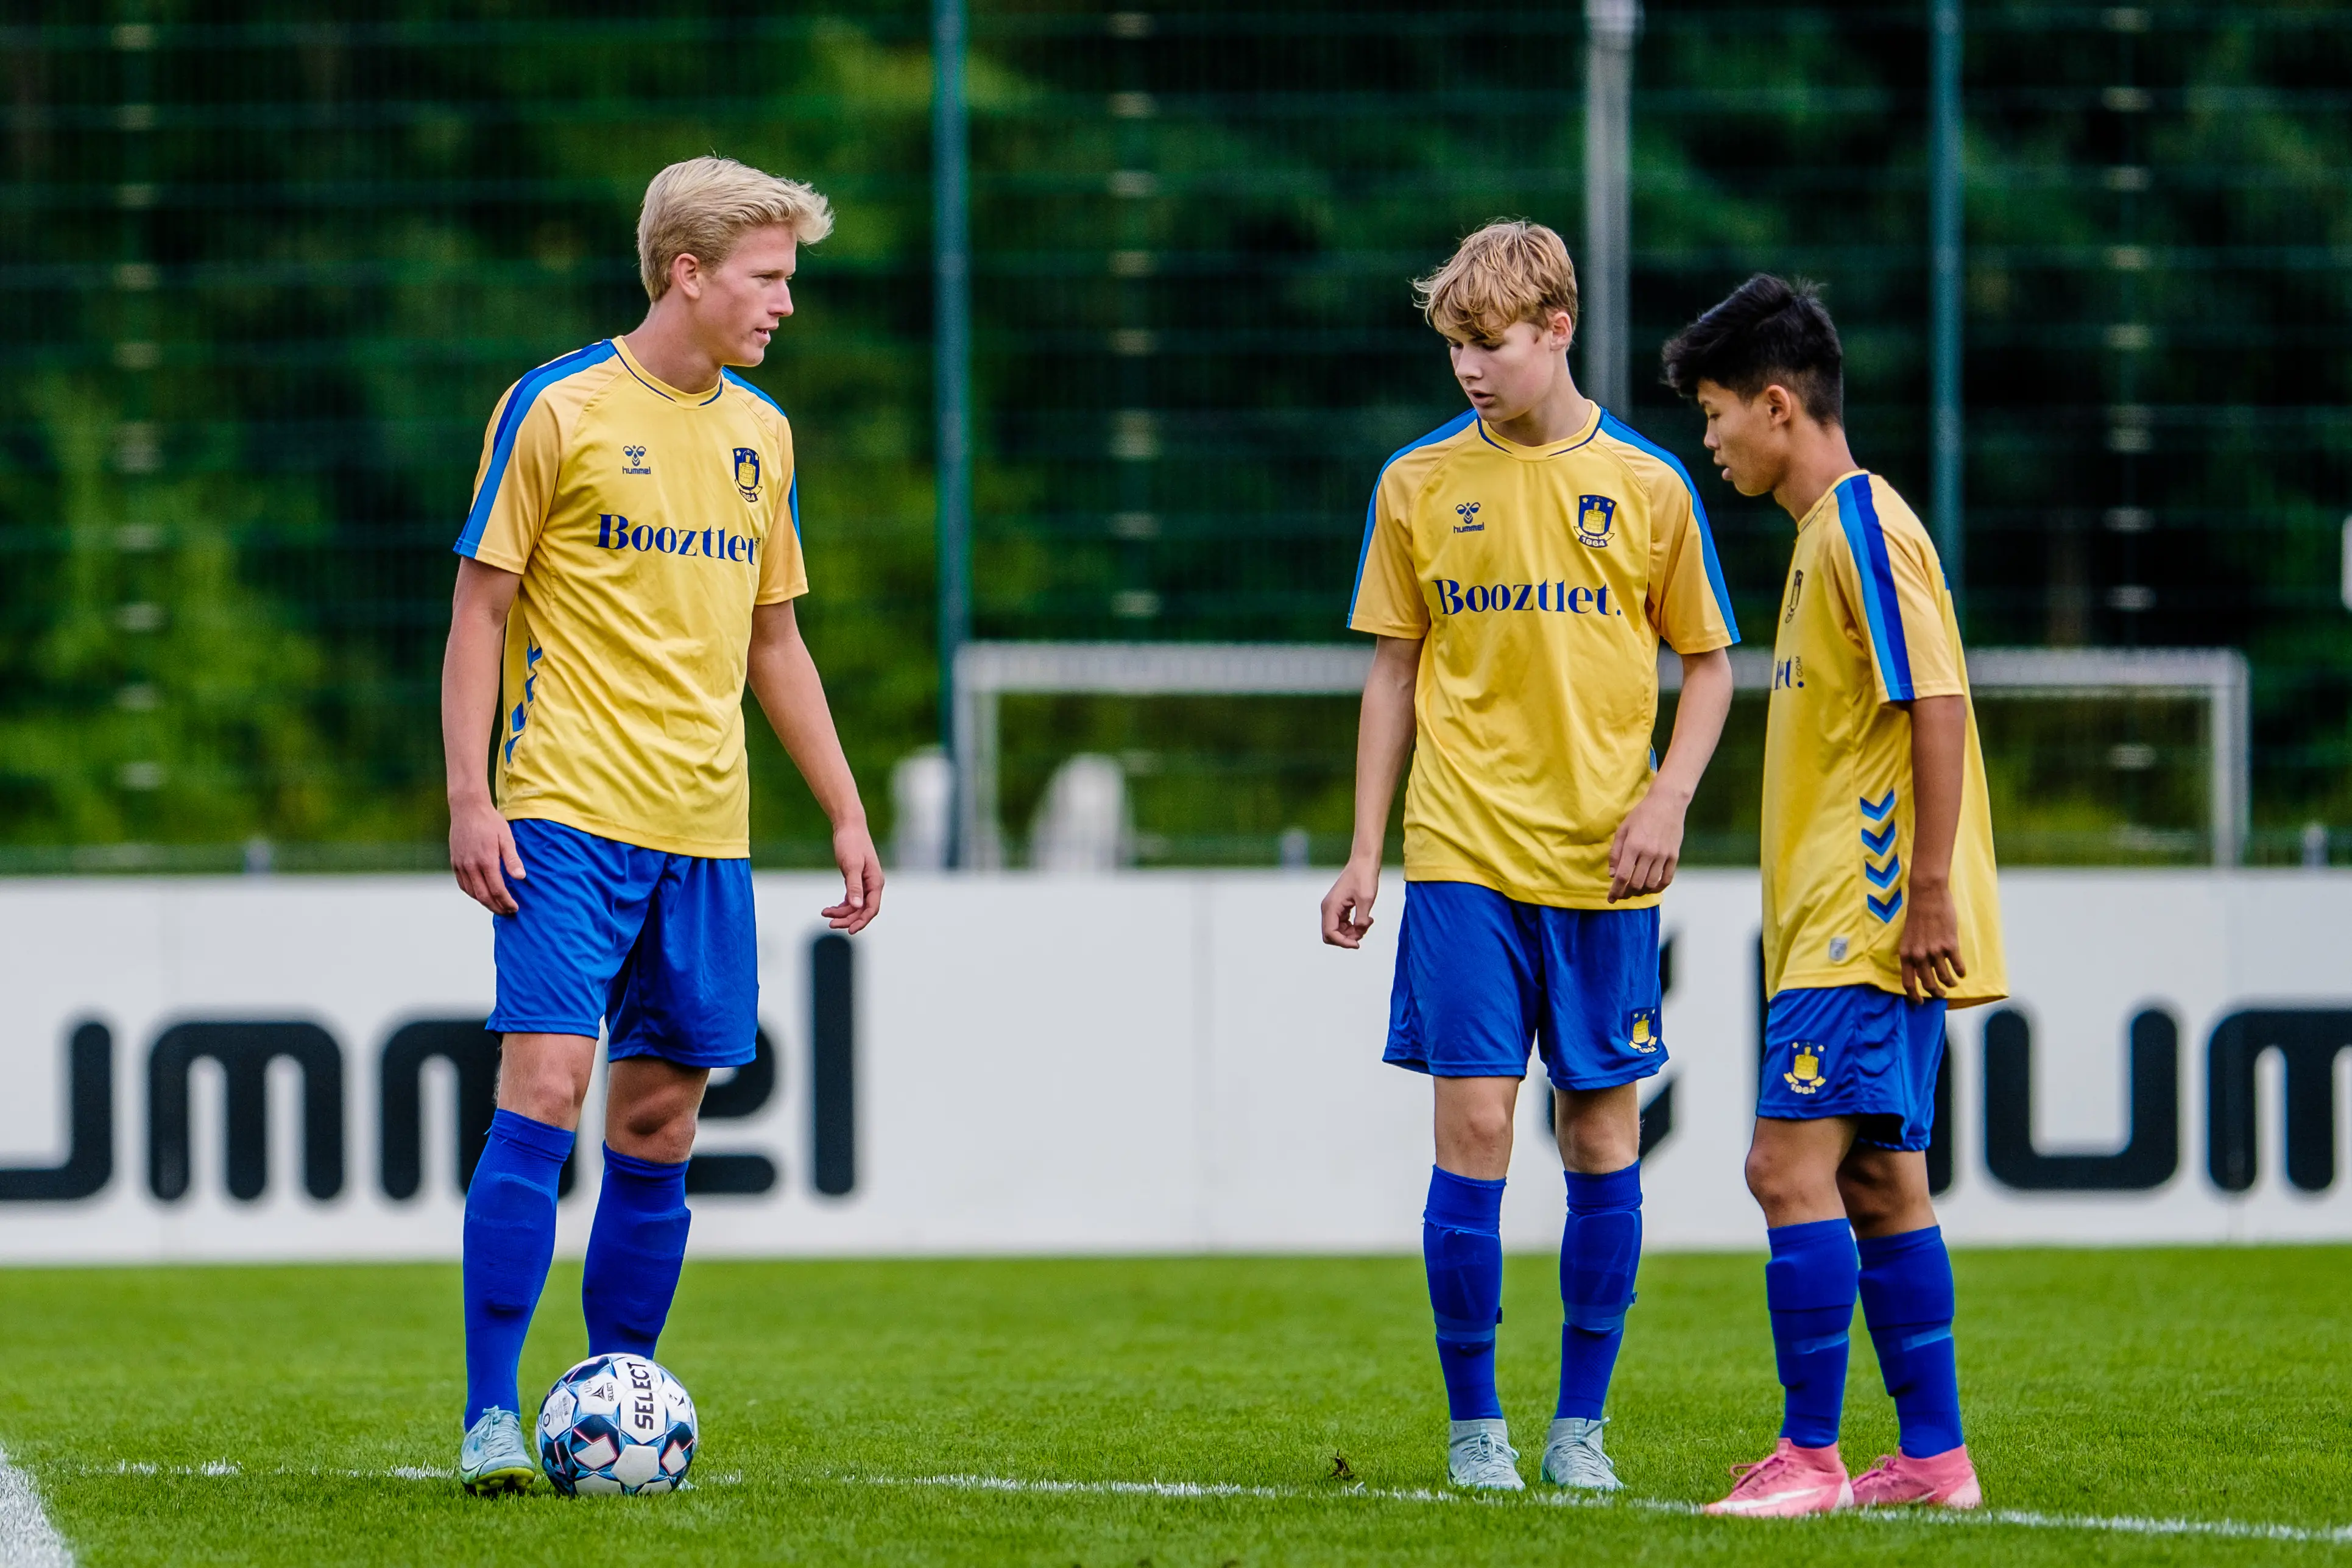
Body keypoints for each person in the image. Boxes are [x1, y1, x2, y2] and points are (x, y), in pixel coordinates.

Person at [440, 155, 883, 1494]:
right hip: (563, 812)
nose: (784, 305)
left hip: (707, 831)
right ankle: (486, 1419)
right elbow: (480, 611)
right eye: (767, 278)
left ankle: (616, 1397)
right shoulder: (556, 408)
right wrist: (470, 793)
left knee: (656, 1128)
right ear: (686, 274)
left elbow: (777, 642)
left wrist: (848, 812)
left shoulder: (763, 436)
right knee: (546, 1090)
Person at [1321, 220, 1739, 1492]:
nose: (1466, 367)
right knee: (1477, 1128)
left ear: (1555, 329)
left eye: (1487, 343)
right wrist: (1361, 853)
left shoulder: (1651, 487)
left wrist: (1667, 800)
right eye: (1453, 345)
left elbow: (1711, 665)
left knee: (1602, 1144)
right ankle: (1474, 1431)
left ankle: (1579, 1429)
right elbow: (1391, 673)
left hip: (1602, 867)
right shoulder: (1416, 484)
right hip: (1458, 856)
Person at [1661, 274, 2005, 1516]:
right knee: (1875, 1183)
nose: (1708, 441)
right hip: (1843, 920)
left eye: (1713, 414)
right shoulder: (1821, 542)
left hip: (1863, 921)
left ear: (1774, 404)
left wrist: (1923, 891)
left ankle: (1809, 1460)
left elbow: (1940, 700)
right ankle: (1934, 1461)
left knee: (1781, 1169)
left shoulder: (1862, 524)